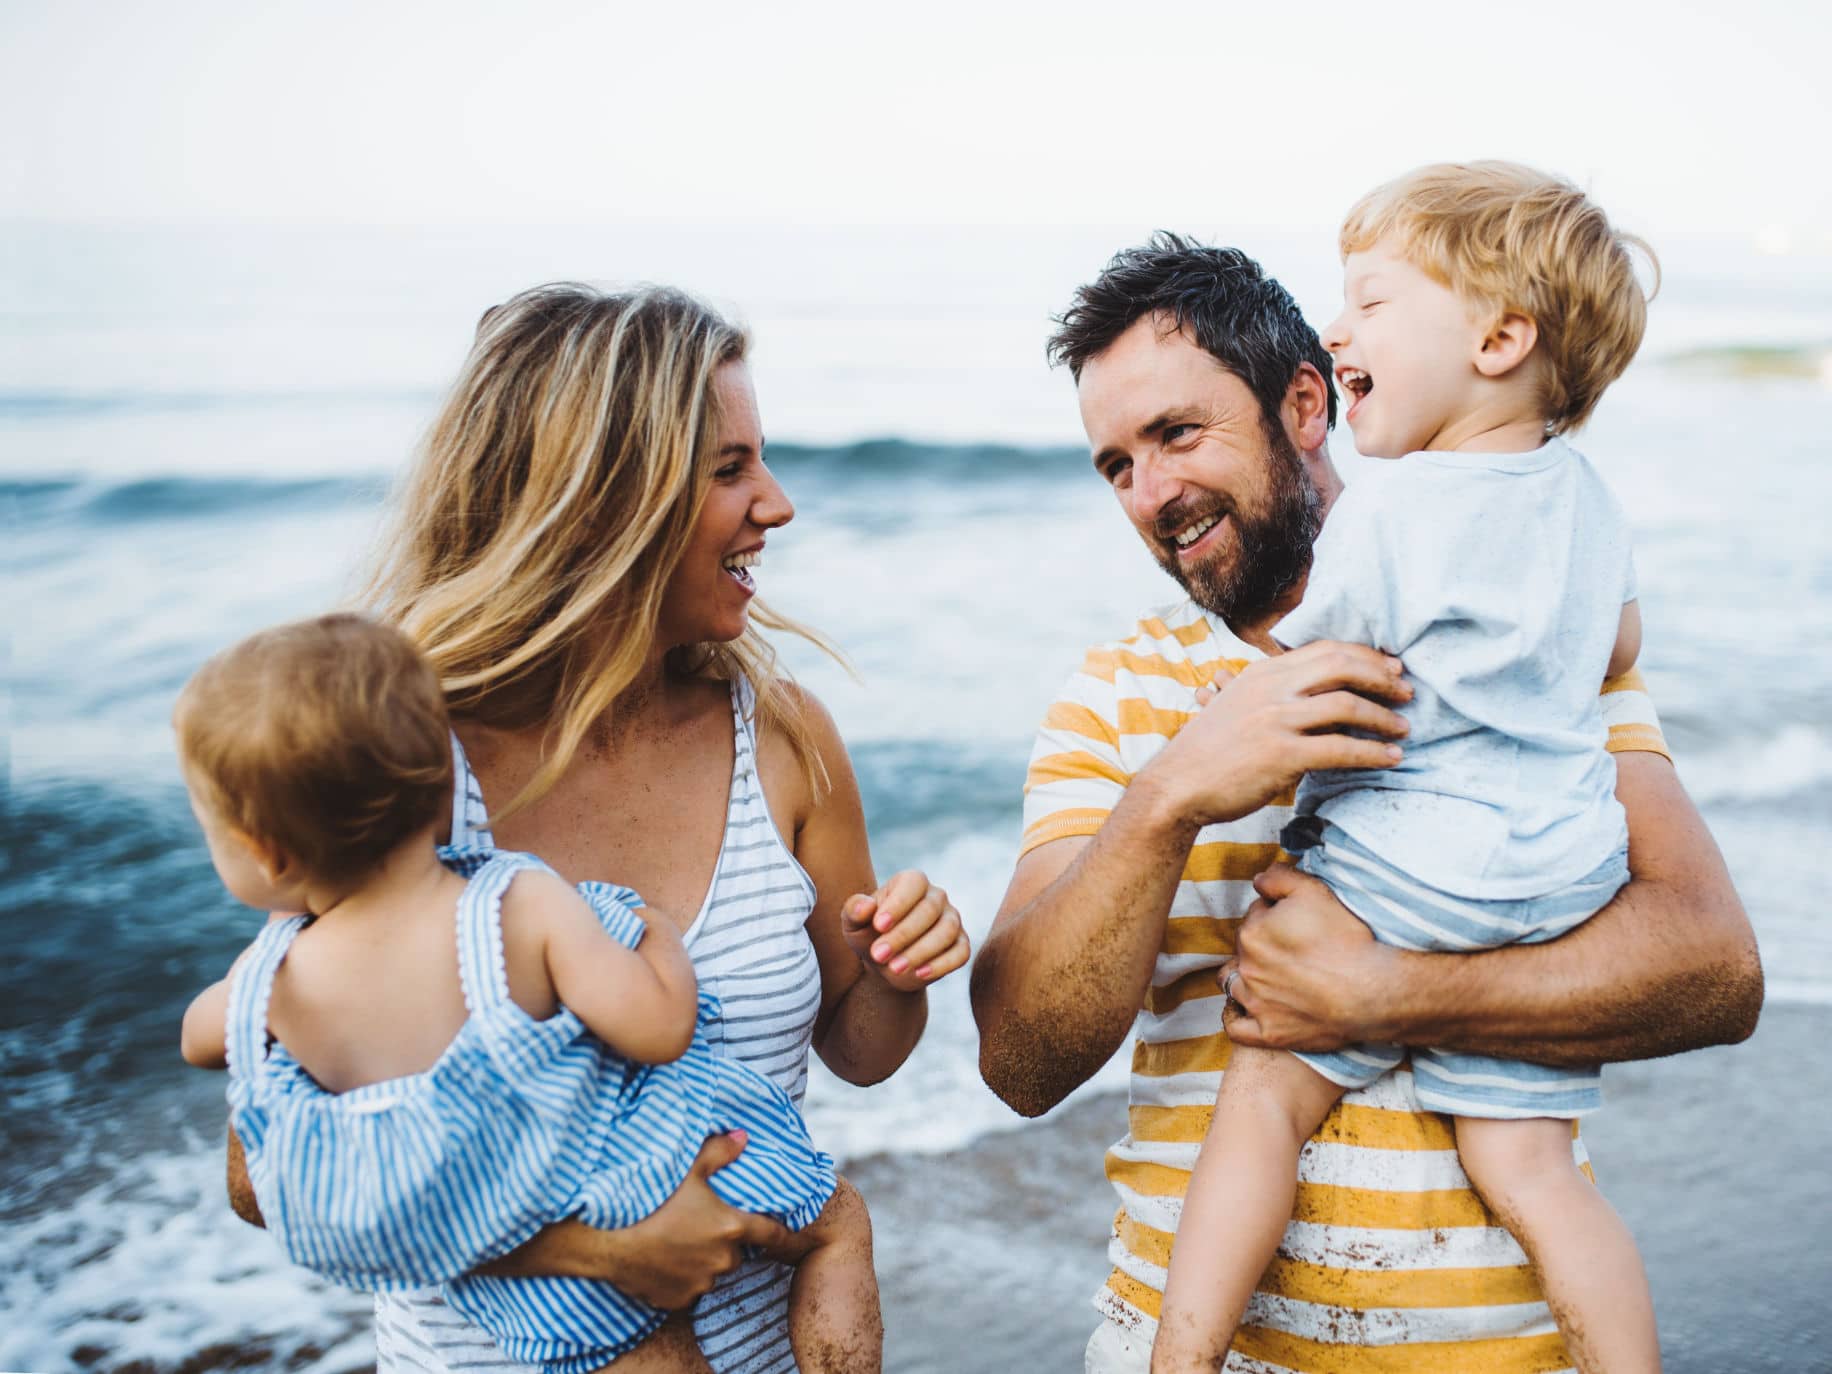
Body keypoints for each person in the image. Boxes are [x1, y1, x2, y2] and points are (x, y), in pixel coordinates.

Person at [969, 235, 1762, 1374]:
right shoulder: (1113, 701)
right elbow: (1020, 1062)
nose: (1150, 494)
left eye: (1176, 434)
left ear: (1303, 404)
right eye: (1114, 466)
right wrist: (1170, 797)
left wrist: (1384, 991)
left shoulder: (1522, 643)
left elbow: (1712, 974)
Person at [219, 283, 971, 1374]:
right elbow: (266, 1174)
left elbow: (858, 1053)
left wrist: (899, 972)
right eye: (728, 469)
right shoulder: (403, 766)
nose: (777, 503)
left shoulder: (787, 740)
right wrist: (587, 1250)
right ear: (601, 500)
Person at [1153, 165, 1665, 1374]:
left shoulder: (1395, 508)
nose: (1337, 332)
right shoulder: (1589, 500)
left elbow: (1307, 663)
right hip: (1557, 879)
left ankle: (1177, 1358)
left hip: (1413, 869)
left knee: (1263, 1099)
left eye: (1371, 305)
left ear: (1496, 338)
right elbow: (1619, 645)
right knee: (1531, 1168)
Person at [178, 614, 880, 1374]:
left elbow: (206, 1048)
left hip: (500, 1278)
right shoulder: (516, 906)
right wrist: (659, 942)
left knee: (645, 1353)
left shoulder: (270, 986)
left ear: (264, 852)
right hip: (619, 1180)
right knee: (838, 1223)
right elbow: (658, 1030)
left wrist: (256, 977)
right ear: (446, 777)